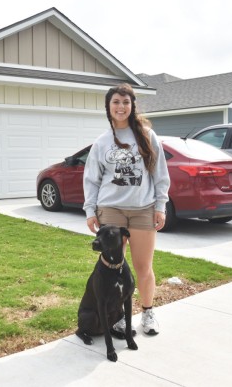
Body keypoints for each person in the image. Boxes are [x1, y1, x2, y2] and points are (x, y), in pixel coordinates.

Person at [83, 83, 170, 336]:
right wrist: (90, 211)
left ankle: (148, 312)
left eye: (125, 102)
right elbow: (92, 179)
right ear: (108, 108)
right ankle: (120, 316)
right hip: (111, 210)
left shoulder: (146, 135)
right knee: (113, 269)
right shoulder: (102, 142)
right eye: (116, 103)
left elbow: (160, 174)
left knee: (143, 267)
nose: (121, 107)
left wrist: (160, 205)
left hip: (143, 209)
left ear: (132, 107)